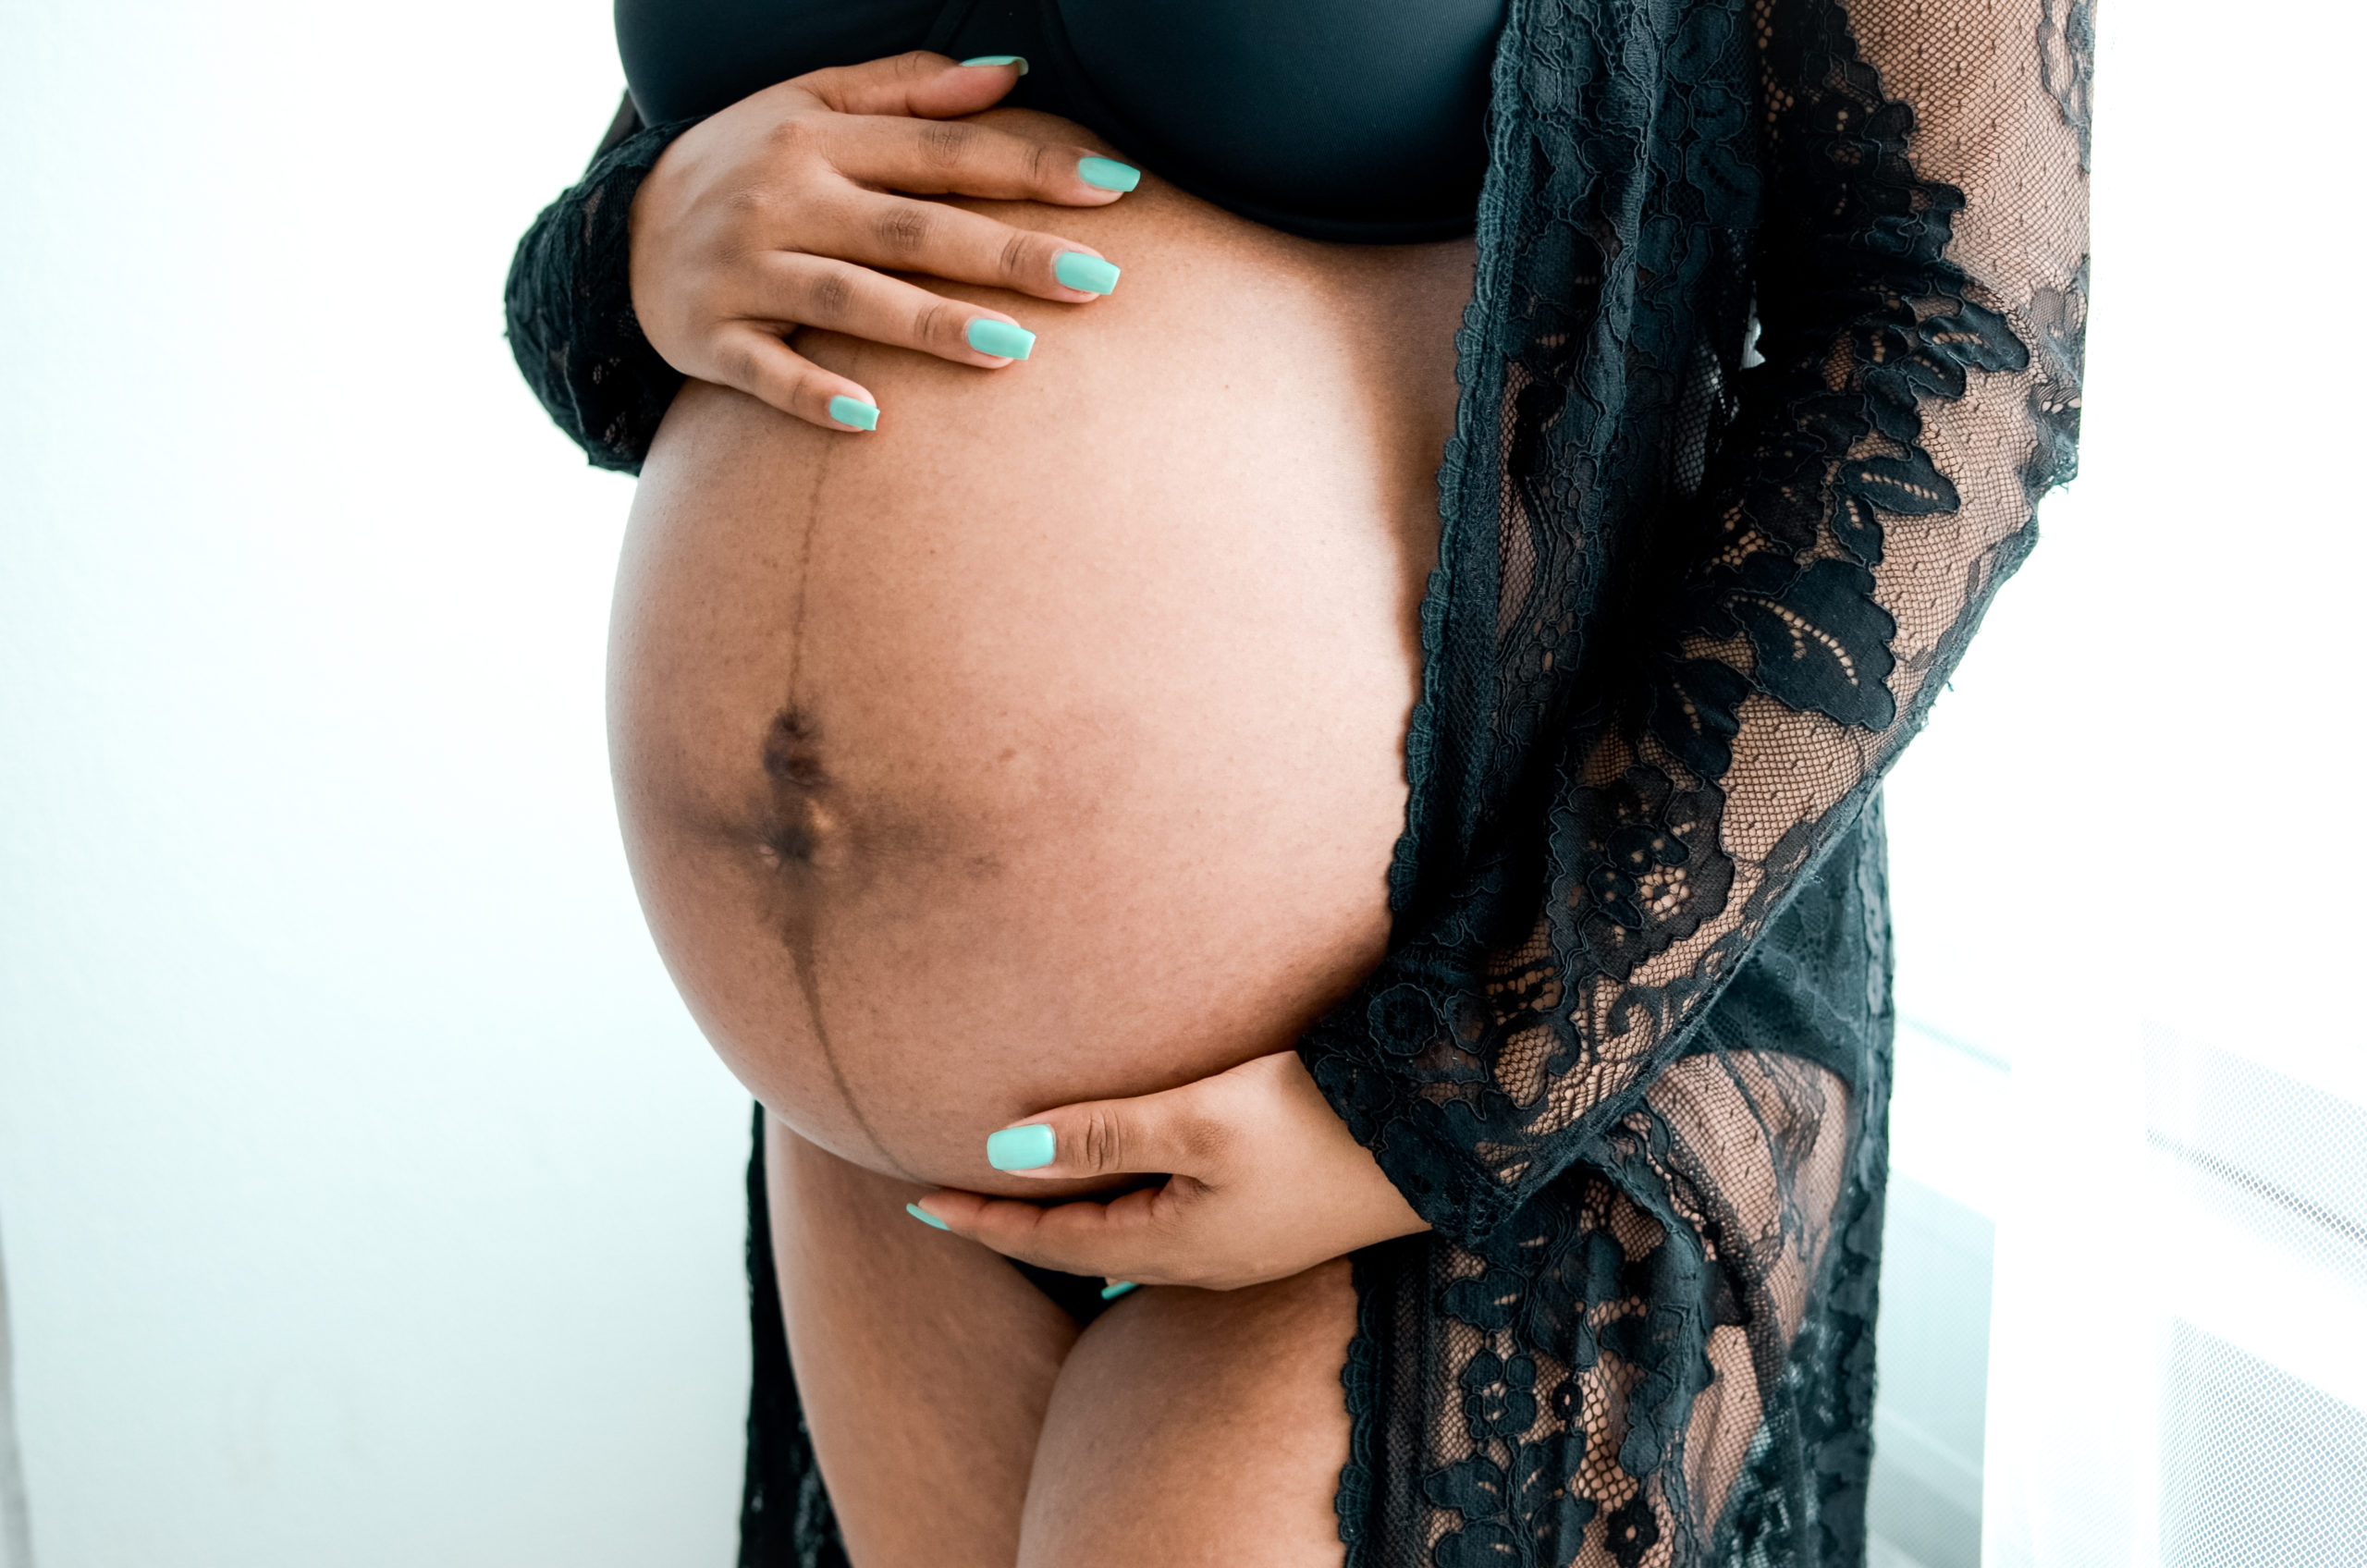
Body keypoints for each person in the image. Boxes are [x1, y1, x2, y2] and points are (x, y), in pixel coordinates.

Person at [506, 0, 2091, 1562]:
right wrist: (634, 243)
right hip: (890, 1165)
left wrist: (1448, 1098)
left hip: (1477, 1036)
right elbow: (692, 188)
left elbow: (1960, 336)